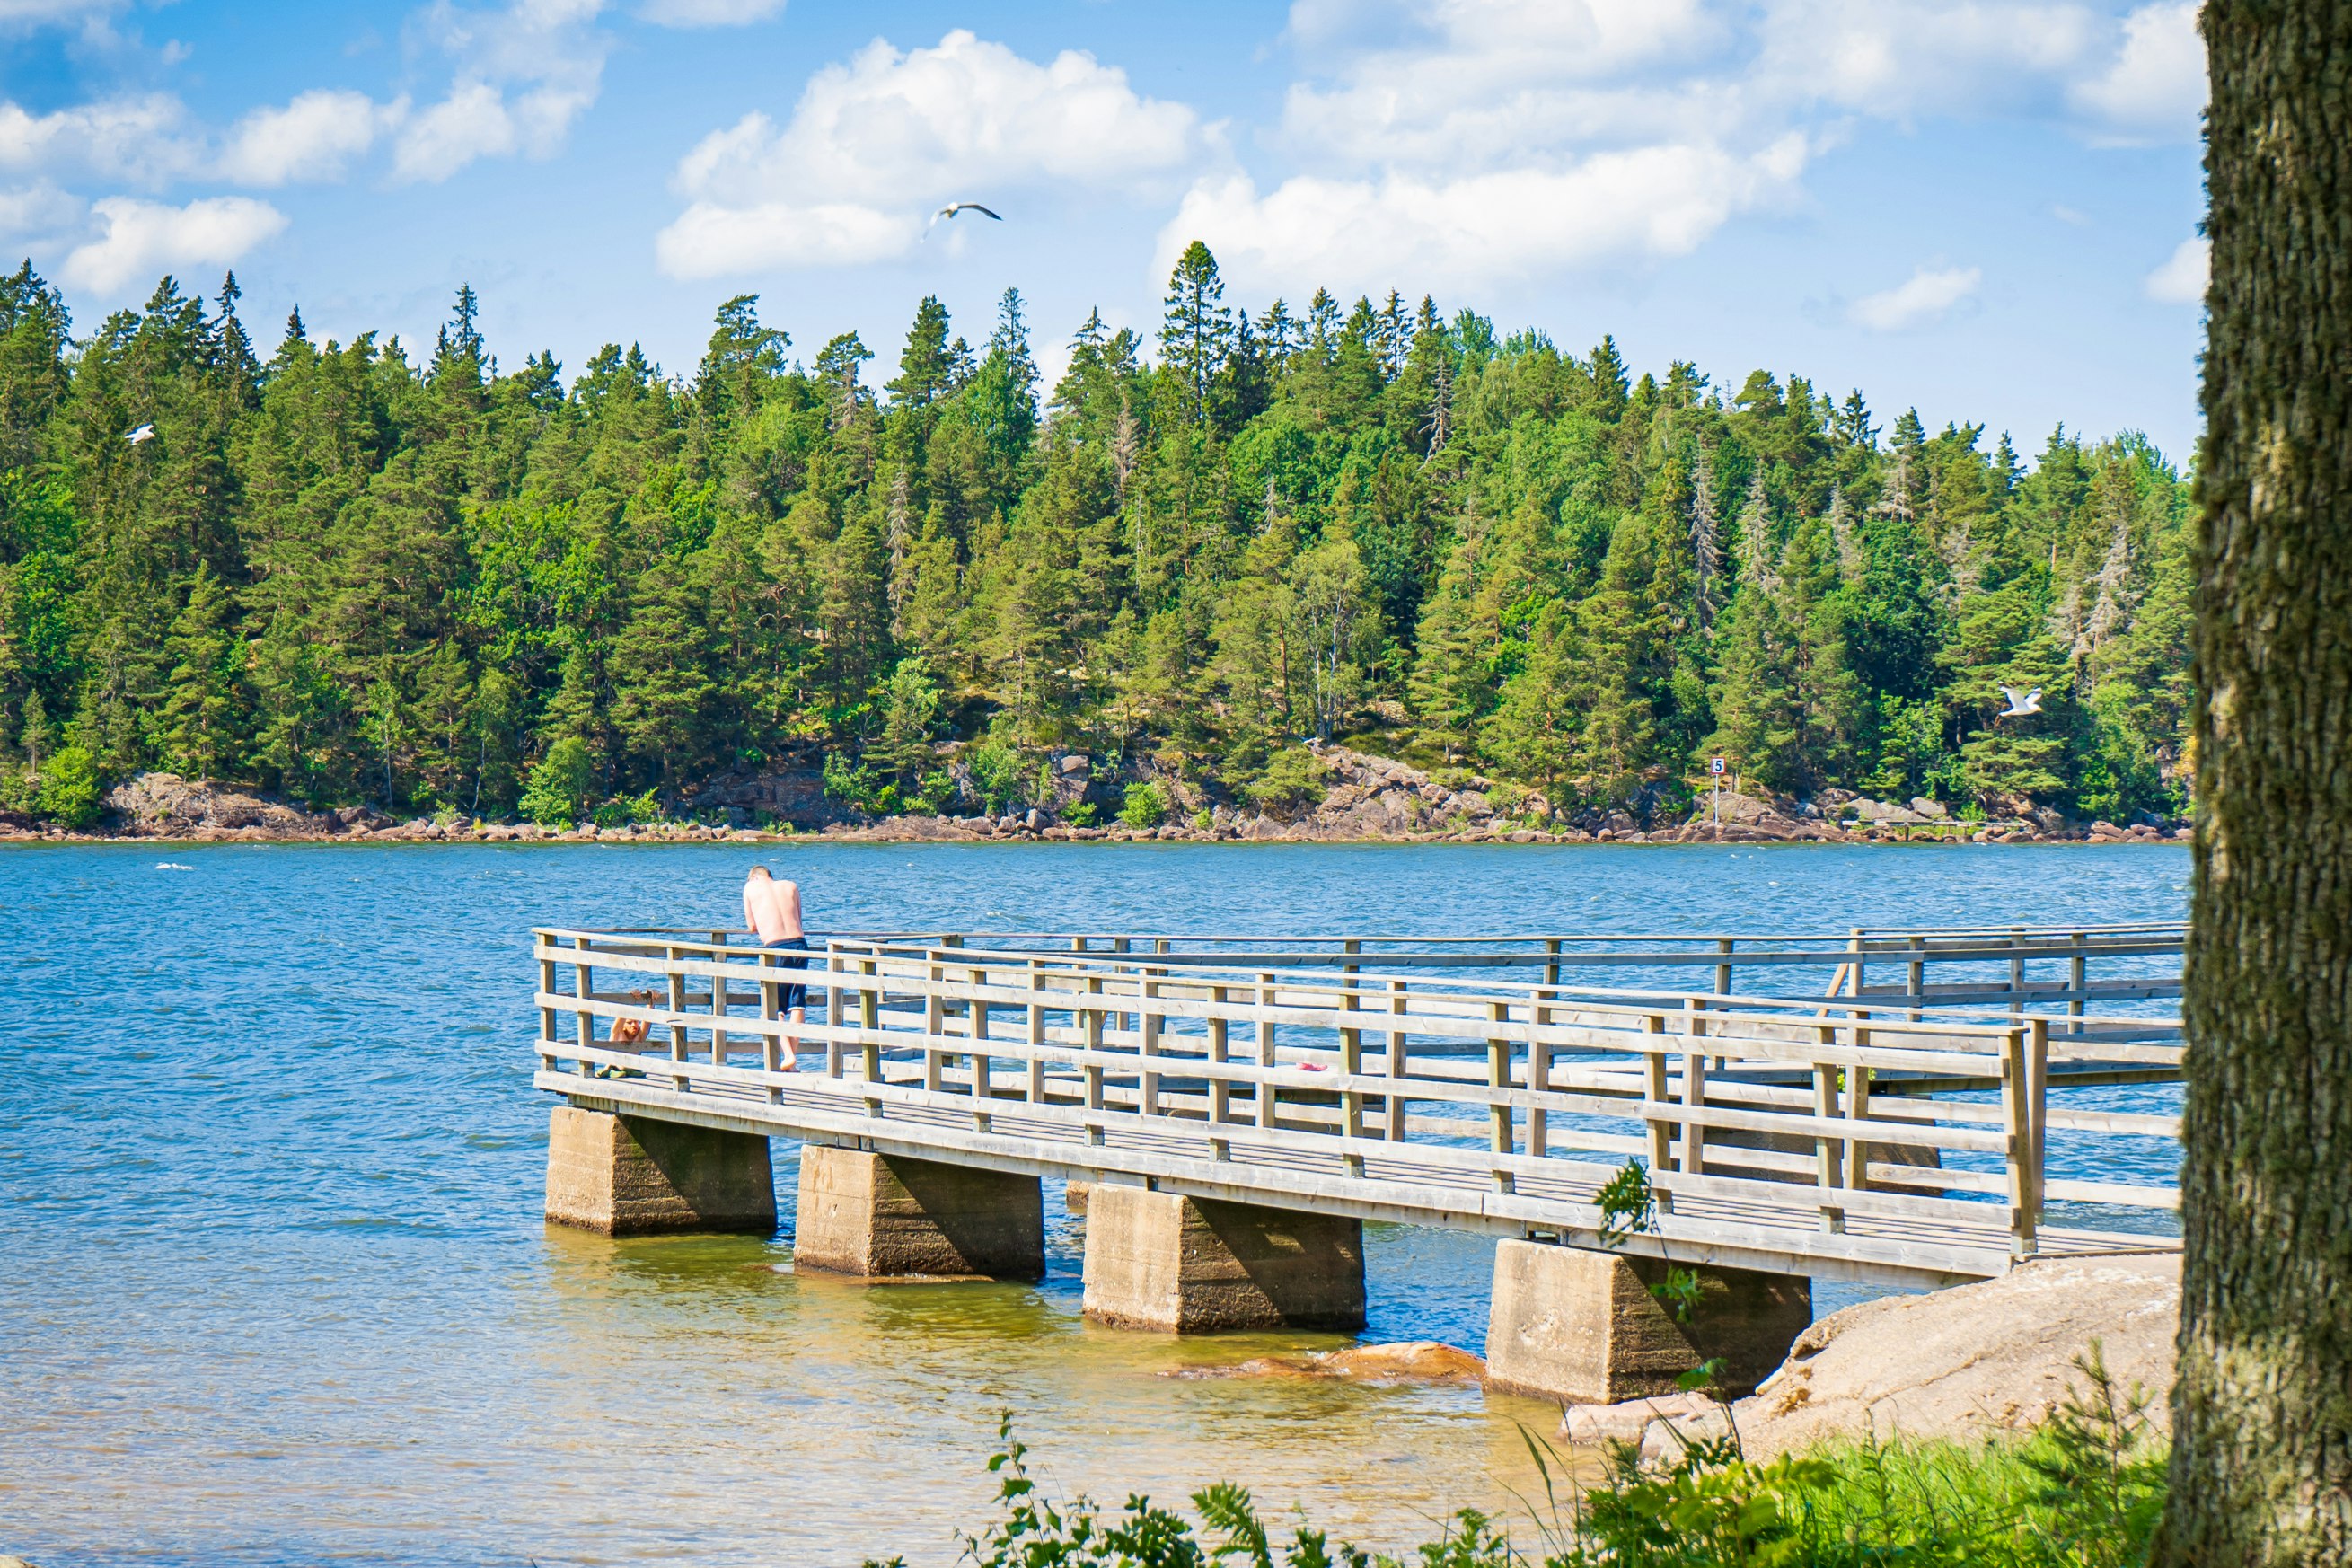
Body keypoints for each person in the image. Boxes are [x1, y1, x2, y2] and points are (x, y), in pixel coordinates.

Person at [743, 866, 808, 1068]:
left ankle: (788, 1055)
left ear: (754, 877)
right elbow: (798, 919)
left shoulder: (750, 888)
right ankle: (792, 1063)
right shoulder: (791, 886)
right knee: (797, 1004)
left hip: (776, 948)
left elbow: (752, 926)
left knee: (774, 1007)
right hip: (799, 945)